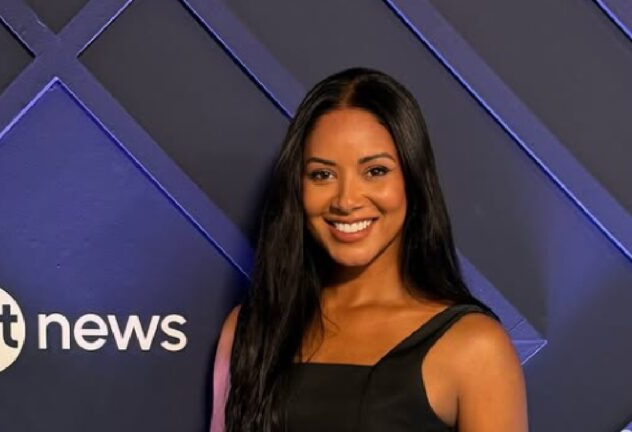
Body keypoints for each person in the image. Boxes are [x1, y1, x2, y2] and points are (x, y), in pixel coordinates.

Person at [209, 67, 528, 431]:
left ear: (412, 178)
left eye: (375, 171)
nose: (346, 200)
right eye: (322, 174)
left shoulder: (476, 346)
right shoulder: (250, 328)